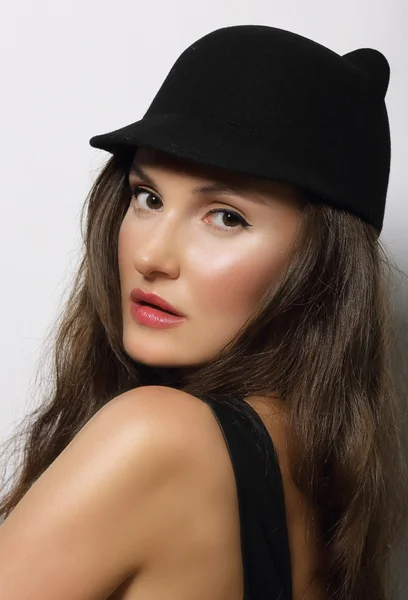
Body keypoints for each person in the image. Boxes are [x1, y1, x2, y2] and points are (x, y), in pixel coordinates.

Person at [0, 23, 407, 600]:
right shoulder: (318, 482)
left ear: (321, 265)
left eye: (226, 217)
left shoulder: (157, 437)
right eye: (148, 197)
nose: (151, 255)